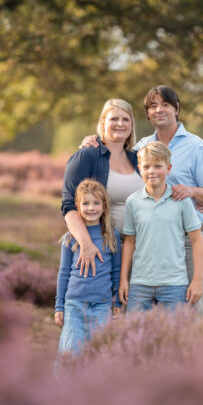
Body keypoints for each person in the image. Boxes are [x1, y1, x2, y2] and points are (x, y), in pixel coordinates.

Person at [82, 86, 203, 315]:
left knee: (191, 315)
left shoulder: (197, 147)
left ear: (177, 109)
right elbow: (115, 149)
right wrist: (94, 140)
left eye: (165, 104)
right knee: (143, 318)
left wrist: (191, 191)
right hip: (148, 242)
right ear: (147, 114)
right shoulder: (140, 147)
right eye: (153, 106)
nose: (159, 110)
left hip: (187, 241)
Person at [61, 98, 144, 277]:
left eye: (125, 119)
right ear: (102, 123)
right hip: (103, 248)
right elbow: (69, 206)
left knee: (137, 305)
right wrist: (86, 244)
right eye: (114, 119)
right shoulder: (86, 156)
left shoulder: (138, 159)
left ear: (132, 125)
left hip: (140, 250)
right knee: (105, 303)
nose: (120, 124)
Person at [120, 142, 203, 312]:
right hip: (139, 284)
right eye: (146, 166)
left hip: (174, 284)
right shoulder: (133, 202)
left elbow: (196, 241)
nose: (151, 171)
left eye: (158, 166)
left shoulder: (182, 201)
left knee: (174, 336)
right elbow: (129, 242)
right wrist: (123, 280)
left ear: (168, 168)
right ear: (139, 169)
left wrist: (197, 281)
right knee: (136, 334)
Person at [55, 179, 122, 355]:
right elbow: (63, 273)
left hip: (102, 304)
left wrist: (116, 301)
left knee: (99, 352)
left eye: (96, 203)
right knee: (71, 352)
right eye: (86, 203)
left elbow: (116, 271)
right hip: (75, 304)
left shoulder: (111, 236)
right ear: (77, 206)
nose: (91, 208)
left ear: (104, 206)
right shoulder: (71, 238)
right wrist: (59, 306)